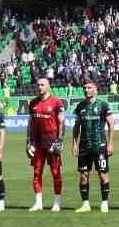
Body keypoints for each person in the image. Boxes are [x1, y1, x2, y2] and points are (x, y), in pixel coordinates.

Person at [72, 79, 114, 212]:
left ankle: (105, 203)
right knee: (84, 175)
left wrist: (110, 143)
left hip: (100, 145)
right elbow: (76, 127)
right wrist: (74, 144)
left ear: (95, 89)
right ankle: (85, 204)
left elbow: (111, 125)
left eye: (89, 87)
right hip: (84, 147)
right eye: (84, 88)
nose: (86, 90)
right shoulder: (80, 106)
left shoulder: (103, 105)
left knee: (103, 174)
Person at [27, 76, 66, 212]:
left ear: (48, 86)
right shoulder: (33, 103)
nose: (39, 87)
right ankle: (38, 203)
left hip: (51, 143)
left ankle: (57, 202)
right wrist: (28, 141)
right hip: (37, 144)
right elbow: (30, 123)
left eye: (42, 85)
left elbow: (61, 122)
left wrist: (59, 140)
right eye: (38, 85)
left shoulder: (56, 102)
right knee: (37, 172)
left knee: (56, 173)